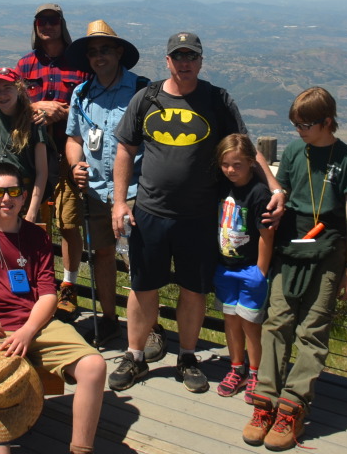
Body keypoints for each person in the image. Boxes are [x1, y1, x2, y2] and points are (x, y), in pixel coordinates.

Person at [110, 31, 280, 395]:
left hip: (201, 216)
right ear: (167, 60)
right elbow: (125, 149)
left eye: (191, 57)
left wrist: (276, 188)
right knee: (142, 287)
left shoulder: (216, 100)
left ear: (200, 62)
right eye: (178, 56)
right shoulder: (147, 98)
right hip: (150, 212)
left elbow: (247, 150)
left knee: (193, 290)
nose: (184, 63)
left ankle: (187, 357)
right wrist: (119, 201)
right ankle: (135, 355)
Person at [0, 166, 107, 454]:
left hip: (35, 323)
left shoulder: (37, 237)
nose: (6, 198)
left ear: (23, 197)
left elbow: (47, 294)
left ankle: (81, 449)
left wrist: (28, 330)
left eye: (13, 191)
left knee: (94, 366)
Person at [242, 87, 347, 450]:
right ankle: (265, 402)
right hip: (291, 246)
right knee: (276, 322)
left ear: (327, 121)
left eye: (305, 124)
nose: (299, 131)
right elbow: (285, 191)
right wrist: (277, 205)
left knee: (312, 330)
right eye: (295, 124)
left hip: (328, 252)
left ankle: (293, 407)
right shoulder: (296, 151)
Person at [65, 20, 148, 345]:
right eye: (93, 52)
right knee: (102, 255)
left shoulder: (142, 90)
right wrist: (75, 165)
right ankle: (111, 320)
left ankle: (145, 331)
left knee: (138, 264)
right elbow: (74, 138)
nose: (99, 57)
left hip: (136, 194)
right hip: (97, 192)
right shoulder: (82, 94)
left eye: (105, 50)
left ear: (119, 53)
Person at [15, 4, 89, 320]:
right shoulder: (25, 64)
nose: (47, 25)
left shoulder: (80, 63)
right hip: (33, 155)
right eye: (42, 21)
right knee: (32, 221)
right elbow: (13, 107)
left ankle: (69, 286)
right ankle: (35, 283)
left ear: (62, 24)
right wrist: (40, 106)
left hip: (69, 153)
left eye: (53, 20)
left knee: (69, 224)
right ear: (35, 25)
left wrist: (65, 113)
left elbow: (91, 108)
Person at [213, 134, 273, 402]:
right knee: (231, 321)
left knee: (251, 324)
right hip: (225, 267)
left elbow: (266, 235)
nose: (230, 170)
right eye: (225, 164)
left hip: (250, 270)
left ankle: (256, 372)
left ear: (251, 162)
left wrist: (260, 271)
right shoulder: (221, 187)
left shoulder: (258, 193)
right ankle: (237, 368)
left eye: (237, 164)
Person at [0, 67, 49, 224]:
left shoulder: (33, 121)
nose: (2, 95)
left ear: (18, 89)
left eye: (7, 88)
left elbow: (42, 172)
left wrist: (32, 211)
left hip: (22, 195)